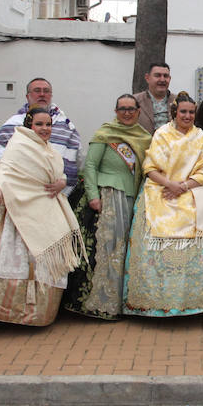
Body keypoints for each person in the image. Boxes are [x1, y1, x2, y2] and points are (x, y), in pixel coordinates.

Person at [0, 107, 84, 332]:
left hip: (43, 210)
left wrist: (61, 183)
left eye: (48, 124)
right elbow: (5, 170)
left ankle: (32, 314)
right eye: (39, 124)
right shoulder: (19, 144)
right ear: (30, 125)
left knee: (40, 262)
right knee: (5, 260)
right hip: (13, 208)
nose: (44, 129)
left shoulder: (49, 149)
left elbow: (57, 174)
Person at [123, 92, 203, 317]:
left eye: (191, 112)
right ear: (175, 112)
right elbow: (150, 167)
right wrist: (170, 185)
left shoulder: (199, 135)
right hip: (161, 191)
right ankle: (156, 303)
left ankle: (199, 300)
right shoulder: (162, 134)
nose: (188, 115)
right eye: (183, 111)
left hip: (191, 191)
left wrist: (185, 186)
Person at [63, 94, 152, 319]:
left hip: (132, 198)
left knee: (127, 251)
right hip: (108, 196)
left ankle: (125, 302)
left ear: (139, 111)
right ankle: (102, 303)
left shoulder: (144, 137)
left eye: (131, 109)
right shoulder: (105, 133)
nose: (127, 113)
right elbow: (90, 166)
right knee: (108, 248)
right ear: (115, 111)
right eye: (122, 109)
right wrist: (93, 196)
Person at [0, 77, 81, 194]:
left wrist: (63, 180)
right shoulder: (15, 123)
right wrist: (24, 164)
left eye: (46, 91)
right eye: (37, 90)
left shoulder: (66, 126)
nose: (42, 94)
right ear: (28, 96)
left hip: (55, 192)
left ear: (51, 95)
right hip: (21, 189)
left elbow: (75, 158)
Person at [133, 62, 173, 134]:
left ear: (169, 79)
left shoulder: (179, 101)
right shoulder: (134, 101)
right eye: (157, 75)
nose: (162, 80)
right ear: (147, 78)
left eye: (165, 76)